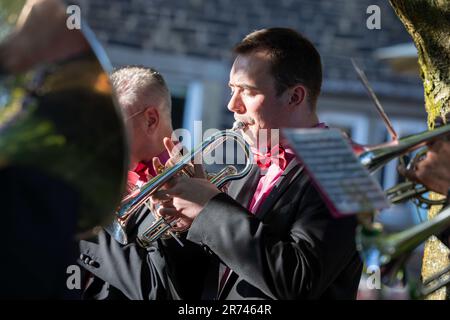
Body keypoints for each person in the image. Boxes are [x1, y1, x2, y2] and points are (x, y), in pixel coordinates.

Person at [151, 28, 363, 300]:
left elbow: (299, 281)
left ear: (295, 97)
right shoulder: (248, 169)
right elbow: (208, 282)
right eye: (231, 89)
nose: (232, 104)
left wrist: (211, 207)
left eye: (247, 92)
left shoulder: (343, 169)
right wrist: (187, 221)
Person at [78, 66, 208, 300]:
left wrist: (81, 225)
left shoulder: (193, 188)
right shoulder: (111, 176)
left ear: (150, 120)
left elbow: (157, 290)